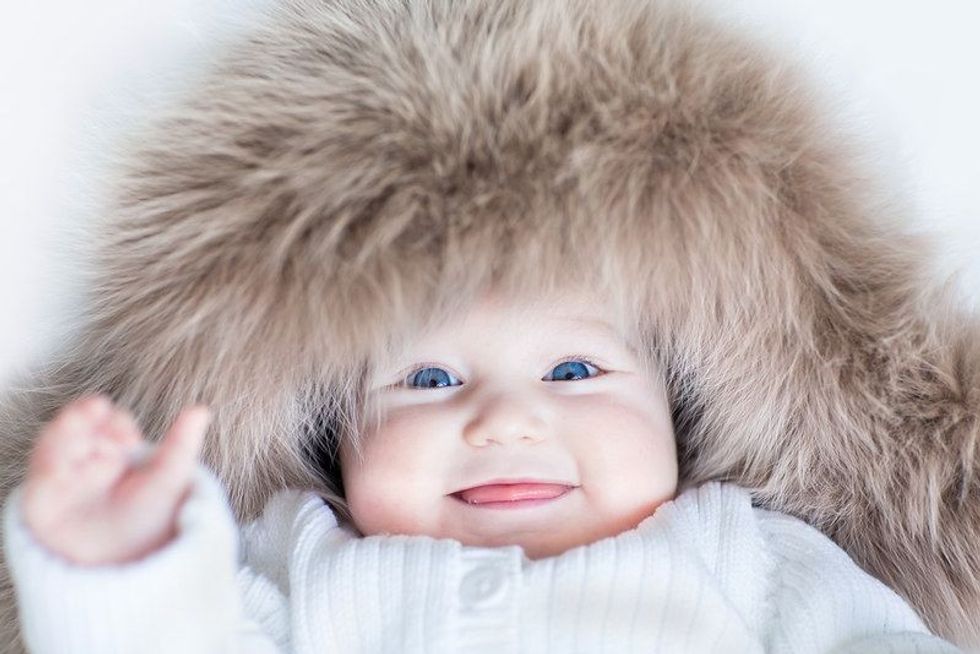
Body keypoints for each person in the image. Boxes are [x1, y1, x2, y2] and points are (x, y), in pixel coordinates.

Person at [1, 0, 978, 651]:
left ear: (680, 412)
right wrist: (121, 568)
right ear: (325, 438)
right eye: (425, 380)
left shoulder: (742, 556)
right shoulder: (297, 559)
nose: (503, 420)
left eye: (573, 370)